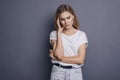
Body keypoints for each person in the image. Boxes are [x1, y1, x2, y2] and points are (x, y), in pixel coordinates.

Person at [49, 4, 88, 80]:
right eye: (62, 19)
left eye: (68, 18)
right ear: (58, 20)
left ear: (73, 16)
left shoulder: (81, 35)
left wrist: (58, 58)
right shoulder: (54, 34)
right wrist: (59, 33)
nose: (66, 22)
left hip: (75, 73)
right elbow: (59, 54)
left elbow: (80, 60)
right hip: (58, 72)